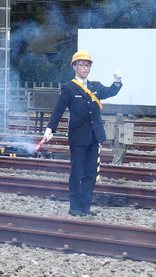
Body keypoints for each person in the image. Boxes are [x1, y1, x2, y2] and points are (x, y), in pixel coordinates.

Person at [43, 50, 122, 216]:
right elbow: (59, 109)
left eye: (88, 65)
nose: (85, 68)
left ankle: (86, 207)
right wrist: (51, 128)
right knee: (77, 173)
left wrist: (117, 82)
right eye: (82, 65)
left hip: (94, 136)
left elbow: (110, 92)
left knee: (91, 173)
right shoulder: (69, 88)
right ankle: (74, 207)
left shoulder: (95, 86)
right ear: (74, 66)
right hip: (78, 137)